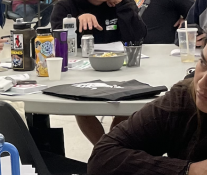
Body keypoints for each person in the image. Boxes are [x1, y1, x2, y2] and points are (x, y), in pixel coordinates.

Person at [88, 11, 207, 175]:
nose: (203, 83)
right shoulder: (184, 99)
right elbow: (103, 156)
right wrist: (188, 173)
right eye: (203, 63)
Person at [51, 0, 147, 145]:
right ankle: (105, 149)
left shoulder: (123, 3)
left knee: (129, 102)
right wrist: (75, 22)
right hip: (81, 72)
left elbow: (138, 37)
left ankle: (109, 149)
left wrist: (123, 7)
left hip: (120, 69)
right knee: (79, 103)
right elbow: (57, 39)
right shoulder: (66, 5)